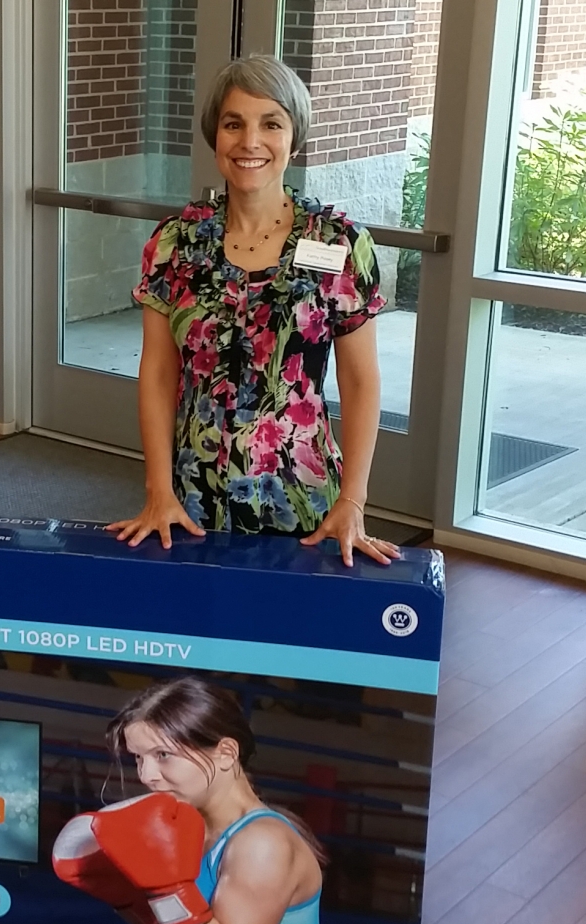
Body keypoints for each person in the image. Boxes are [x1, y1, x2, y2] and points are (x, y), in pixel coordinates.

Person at [108, 55, 401, 568]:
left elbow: (360, 382)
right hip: (192, 497)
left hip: (305, 502)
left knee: (291, 640)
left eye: (271, 123)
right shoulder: (174, 244)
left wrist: (353, 502)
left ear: (295, 135)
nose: (250, 142)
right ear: (214, 136)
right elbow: (157, 372)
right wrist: (158, 490)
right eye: (233, 124)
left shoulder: (339, 243)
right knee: (195, 634)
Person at [54, 677, 325, 924]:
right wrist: (134, 903)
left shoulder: (262, 844)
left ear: (226, 753)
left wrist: (167, 889)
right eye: (138, 758)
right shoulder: (186, 829)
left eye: (163, 754)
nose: (147, 775)